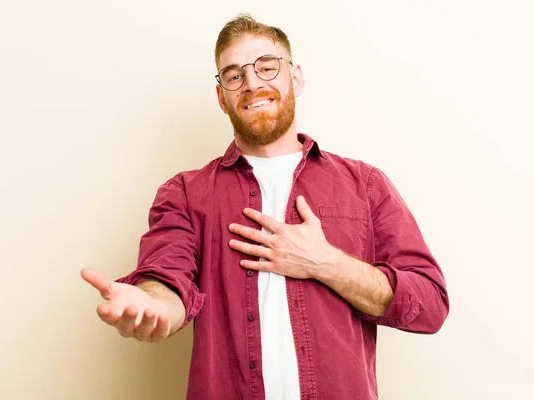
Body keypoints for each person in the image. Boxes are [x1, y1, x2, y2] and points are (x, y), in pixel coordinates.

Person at [81, 14, 449, 400]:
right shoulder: (186, 193)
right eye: (235, 75)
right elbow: (168, 279)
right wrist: (153, 304)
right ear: (222, 97)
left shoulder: (366, 184)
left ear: (296, 78)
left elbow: (430, 304)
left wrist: (327, 263)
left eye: (267, 67)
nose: (253, 83)